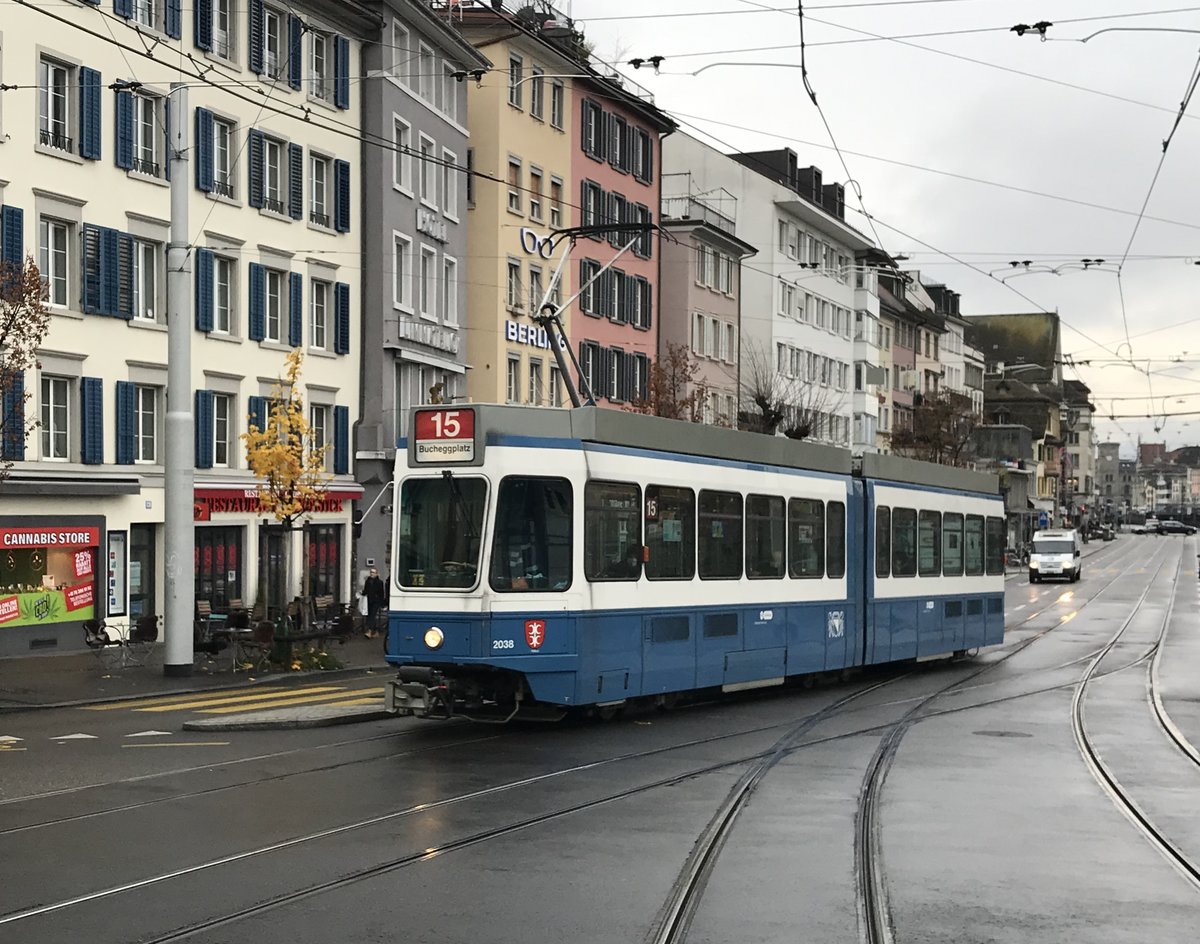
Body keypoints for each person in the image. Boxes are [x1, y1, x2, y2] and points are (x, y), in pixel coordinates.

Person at [360, 567, 387, 638]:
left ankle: (369, 631)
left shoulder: (379, 582)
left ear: (376, 573)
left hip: (376, 601)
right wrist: (362, 594)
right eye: (371, 572)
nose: (372, 574)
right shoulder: (368, 581)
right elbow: (366, 590)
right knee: (370, 615)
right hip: (369, 600)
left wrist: (381, 602)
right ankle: (375, 631)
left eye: (373, 572)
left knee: (372, 615)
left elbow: (381, 593)